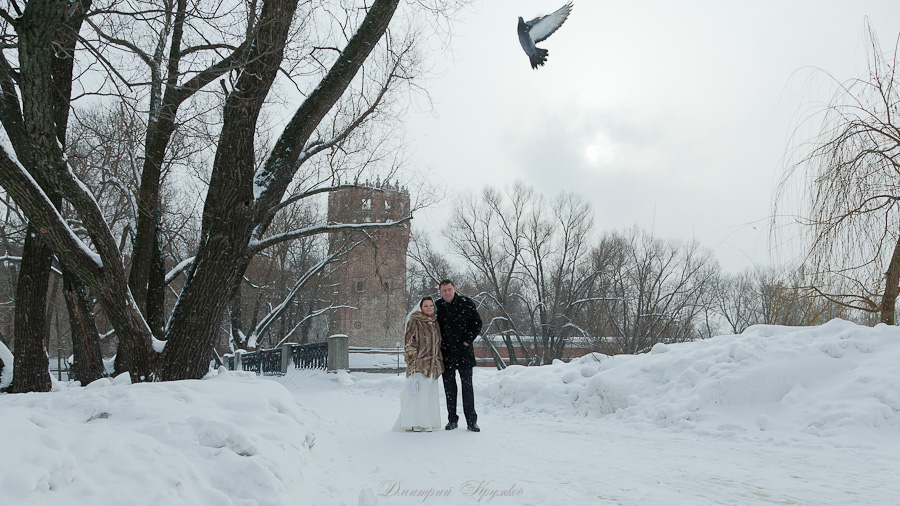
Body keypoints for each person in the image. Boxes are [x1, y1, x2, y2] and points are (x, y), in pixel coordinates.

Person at [435, 279, 483, 432]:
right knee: (449, 389)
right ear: (440, 292)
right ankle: (452, 420)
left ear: (454, 289)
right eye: (444, 290)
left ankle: (471, 421)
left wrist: (467, 341)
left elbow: (477, 323)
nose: (447, 293)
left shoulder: (466, 303)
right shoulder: (438, 306)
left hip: (464, 352)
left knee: (467, 388)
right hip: (446, 353)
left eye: (449, 289)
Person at [393, 296, 444, 432]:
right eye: (426, 306)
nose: (429, 308)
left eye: (431, 306)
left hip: (433, 363)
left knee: (429, 394)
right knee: (418, 394)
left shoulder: (435, 321)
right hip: (419, 363)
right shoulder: (415, 320)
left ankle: (428, 420)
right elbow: (409, 341)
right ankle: (416, 422)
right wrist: (413, 357)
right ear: (421, 307)